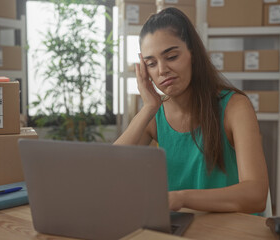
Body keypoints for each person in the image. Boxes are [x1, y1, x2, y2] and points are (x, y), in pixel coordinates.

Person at [114, 7, 268, 214]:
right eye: (151, 63)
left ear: (193, 54)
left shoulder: (235, 107)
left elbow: (256, 196)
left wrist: (182, 198)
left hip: (231, 228)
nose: (161, 70)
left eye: (171, 57)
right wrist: (149, 107)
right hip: (182, 227)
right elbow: (108, 171)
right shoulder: (155, 114)